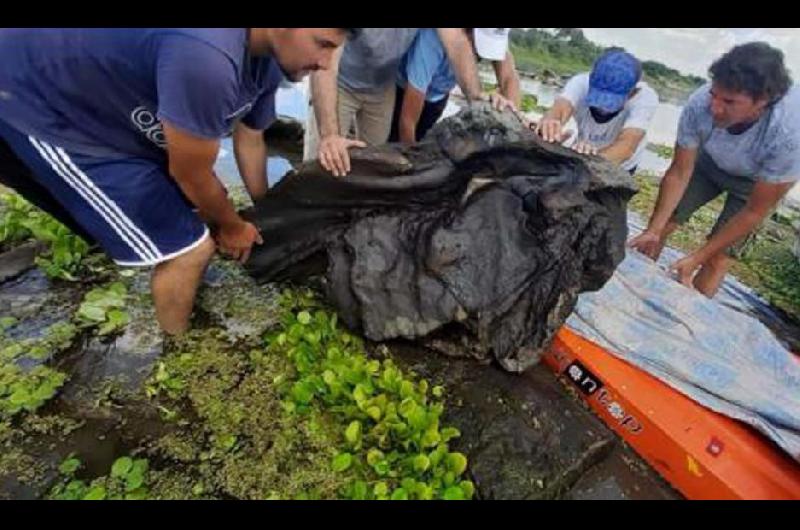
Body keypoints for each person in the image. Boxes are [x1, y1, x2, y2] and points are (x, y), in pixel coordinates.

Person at [0, 28, 356, 334]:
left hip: (112, 108)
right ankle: (176, 349)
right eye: (322, 43)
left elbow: (250, 139)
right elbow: (190, 173)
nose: (326, 64)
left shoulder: (267, 61)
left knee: (190, 217)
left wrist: (266, 215)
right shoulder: (208, 58)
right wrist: (231, 226)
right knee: (190, 249)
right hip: (40, 102)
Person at [628, 42, 799, 297]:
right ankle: (634, 293)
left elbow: (755, 211)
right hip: (708, 163)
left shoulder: (789, 133)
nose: (715, 108)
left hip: (754, 183)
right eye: (714, 95)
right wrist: (653, 229)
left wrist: (697, 257)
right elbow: (679, 172)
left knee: (717, 258)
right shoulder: (700, 102)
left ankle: (686, 320)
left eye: (729, 102)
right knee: (661, 227)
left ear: (763, 101)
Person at [305, 28, 516, 177]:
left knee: (374, 166)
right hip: (340, 81)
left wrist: (477, 97)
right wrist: (330, 134)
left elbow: (456, 42)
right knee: (322, 162)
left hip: (382, 87)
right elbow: (325, 61)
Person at [388, 28, 522, 144]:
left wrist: (511, 116)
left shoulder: (494, 33)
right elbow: (407, 120)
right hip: (404, 91)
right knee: (397, 143)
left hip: (438, 97)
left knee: (423, 137)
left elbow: (509, 77)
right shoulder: (432, 41)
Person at [537, 49, 658, 174]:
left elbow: (627, 145)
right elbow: (559, 110)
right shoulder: (580, 83)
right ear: (591, 79)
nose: (602, 108)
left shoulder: (645, 99)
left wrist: (588, 162)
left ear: (633, 92)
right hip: (585, 150)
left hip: (622, 164)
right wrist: (550, 125)